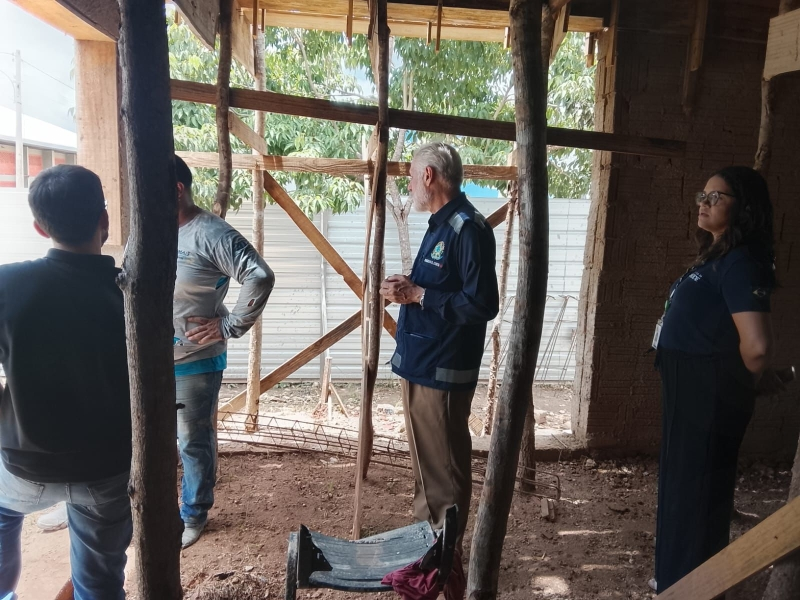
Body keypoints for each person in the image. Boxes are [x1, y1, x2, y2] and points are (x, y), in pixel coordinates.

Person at [0, 165, 132, 598]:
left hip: (22, 463)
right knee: (100, 581)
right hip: (105, 467)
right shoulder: (131, 295)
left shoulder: (7, 285)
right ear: (104, 220)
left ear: (40, 228)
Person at [652, 166, 783, 593]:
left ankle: (694, 588)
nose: (704, 203)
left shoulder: (742, 262)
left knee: (698, 497)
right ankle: (674, 583)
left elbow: (757, 346)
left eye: (716, 197)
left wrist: (736, 380)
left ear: (743, 208)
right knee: (680, 492)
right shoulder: (718, 256)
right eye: (702, 195)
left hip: (708, 398)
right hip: (690, 393)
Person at [380, 142, 499, 550]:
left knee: (443, 470)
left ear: (428, 176)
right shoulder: (441, 225)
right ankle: (427, 546)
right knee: (427, 466)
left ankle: (443, 558)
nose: (410, 186)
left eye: (412, 178)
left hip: (443, 370)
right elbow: (436, 288)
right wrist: (408, 289)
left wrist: (418, 294)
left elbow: (482, 304)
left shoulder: (468, 229)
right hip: (422, 363)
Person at [172, 156, 275, 548]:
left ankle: (193, 514)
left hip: (195, 359)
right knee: (156, 436)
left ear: (177, 189)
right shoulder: (149, 229)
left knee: (192, 440)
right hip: (149, 358)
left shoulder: (209, 232)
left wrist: (229, 325)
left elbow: (259, 275)